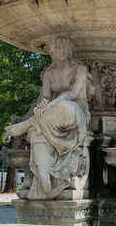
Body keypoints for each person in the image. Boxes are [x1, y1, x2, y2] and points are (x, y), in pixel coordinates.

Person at [6, 35, 93, 200]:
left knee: (61, 107)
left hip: (75, 112)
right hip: (52, 113)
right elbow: (45, 96)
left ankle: (27, 124)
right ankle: (45, 178)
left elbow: (72, 94)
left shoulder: (79, 69)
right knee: (36, 129)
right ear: (51, 52)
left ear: (69, 50)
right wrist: (42, 107)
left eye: (64, 47)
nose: (61, 51)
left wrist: (49, 105)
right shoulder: (49, 73)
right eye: (57, 48)